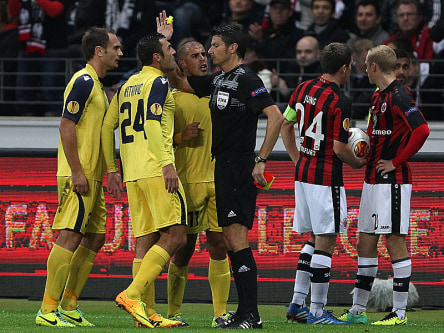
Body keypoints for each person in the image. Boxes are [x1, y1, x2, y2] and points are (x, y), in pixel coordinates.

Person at [163, 17, 284, 329]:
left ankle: (251, 315)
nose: (209, 50)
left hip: (239, 165)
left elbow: (276, 117)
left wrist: (262, 159)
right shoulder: (219, 79)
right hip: (223, 166)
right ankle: (243, 313)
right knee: (231, 239)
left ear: (232, 48)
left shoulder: (247, 78)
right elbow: (177, 80)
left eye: (215, 45)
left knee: (237, 238)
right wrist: (164, 40)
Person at [35, 27, 123, 327]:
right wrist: (76, 171)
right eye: (115, 47)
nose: (119, 53)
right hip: (79, 174)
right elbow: (66, 126)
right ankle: (47, 310)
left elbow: (99, 133)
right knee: (69, 236)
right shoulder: (84, 82)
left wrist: (110, 171)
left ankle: (69, 304)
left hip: (94, 175)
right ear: (99, 51)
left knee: (96, 237)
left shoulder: (97, 85)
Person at [339, 45, 429, 325]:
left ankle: (399, 313)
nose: (364, 69)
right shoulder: (378, 96)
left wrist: (396, 161)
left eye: (367, 64)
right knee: (364, 242)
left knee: (395, 242)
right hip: (372, 180)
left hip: (393, 182)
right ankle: (357, 310)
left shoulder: (399, 95)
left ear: (375, 66)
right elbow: (380, 132)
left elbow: (422, 130)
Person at [102, 31, 187, 328]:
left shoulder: (126, 85)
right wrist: (167, 164)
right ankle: (132, 294)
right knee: (177, 234)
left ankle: (146, 313)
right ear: (156, 57)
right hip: (156, 169)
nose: (173, 52)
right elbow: (152, 122)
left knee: (145, 241)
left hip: (133, 173)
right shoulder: (159, 81)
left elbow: (106, 126)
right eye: (168, 48)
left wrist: (112, 168)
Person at [281, 42, 366, 325]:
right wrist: (359, 163)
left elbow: (285, 124)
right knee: (325, 244)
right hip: (326, 177)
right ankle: (317, 311)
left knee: (311, 239)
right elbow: (342, 150)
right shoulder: (341, 102)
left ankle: (296, 303)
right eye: (351, 65)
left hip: (303, 175)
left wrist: (297, 158)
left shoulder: (302, 89)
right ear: (344, 67)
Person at [165, 38, 231, 327]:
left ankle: (220, 313)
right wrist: (181, 138)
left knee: (219, 244)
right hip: (187, 182)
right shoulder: (172, 98)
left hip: (217, 181)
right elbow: (158, 142)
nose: (203, 59)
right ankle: (173, 311)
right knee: (184, 249)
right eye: (195, 55)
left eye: (204, 54)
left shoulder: (218, 91)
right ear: (182, 63)